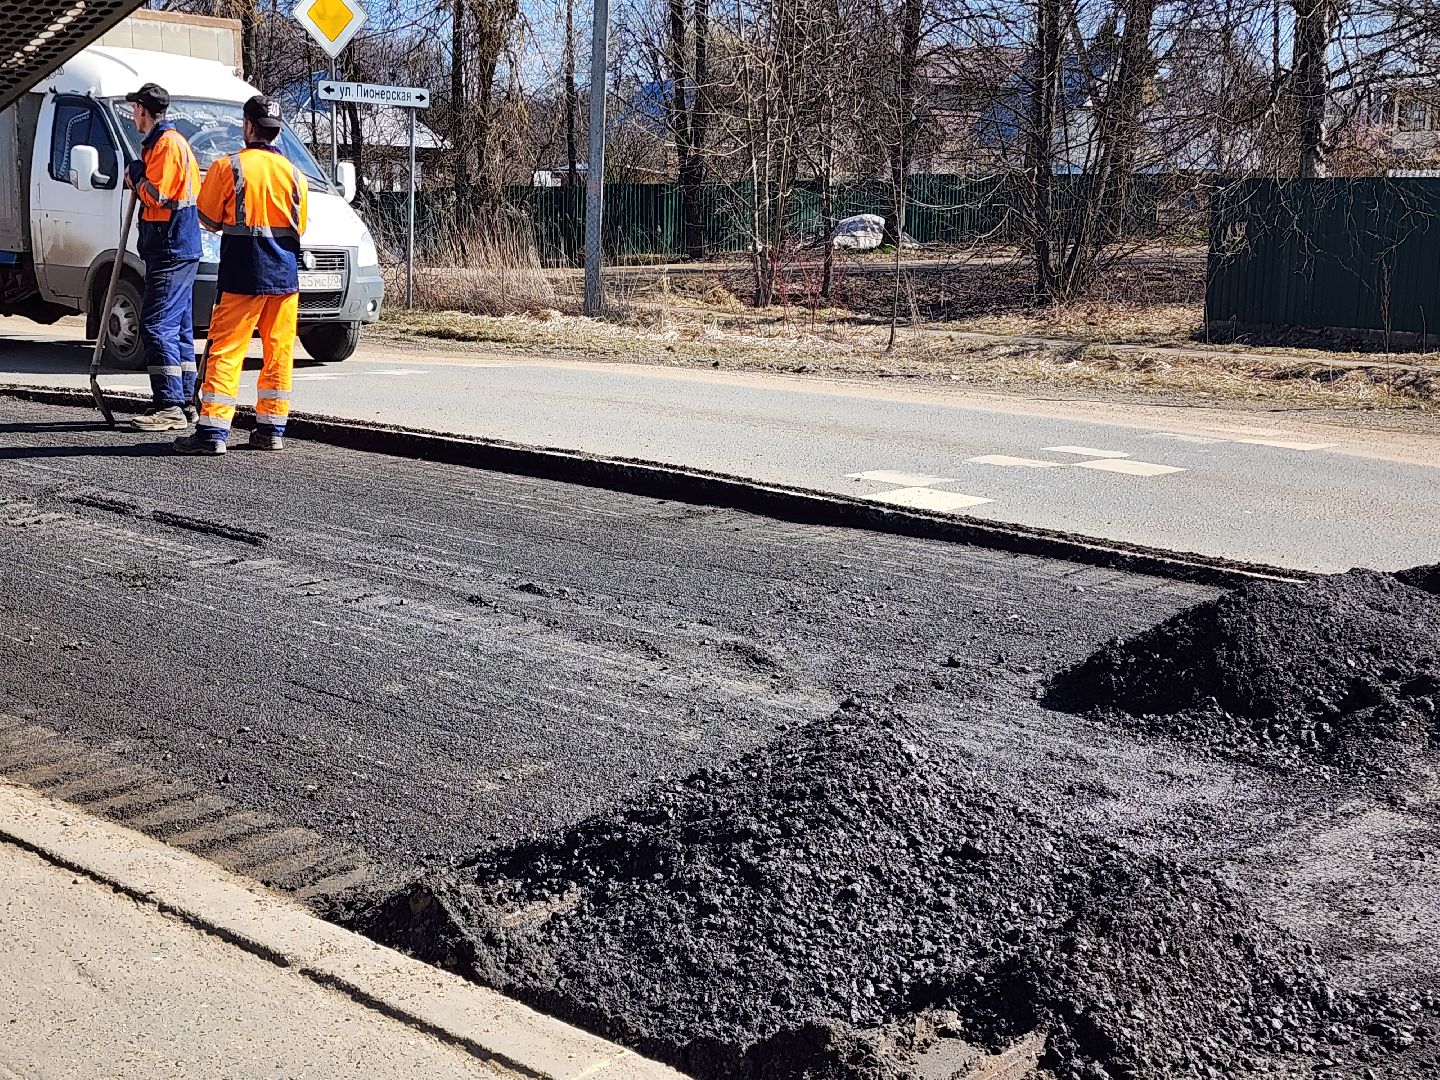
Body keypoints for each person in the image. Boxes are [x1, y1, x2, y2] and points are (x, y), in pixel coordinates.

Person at [176, 95, 308, 456]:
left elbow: (208, 218)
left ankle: (212, 433)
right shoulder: (297, 175)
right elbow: (300, 225)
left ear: (248, 126)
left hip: (242, 274)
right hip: (285, 277)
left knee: (227, 349)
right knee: (278, 352)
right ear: (277, 131)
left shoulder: (227, 167)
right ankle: (271, 430)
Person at [122, 82, 202, 432]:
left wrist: (136, 174)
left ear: (143, 109)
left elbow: (156, 194)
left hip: (171, 248)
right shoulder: (163, 144)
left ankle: (168, 405)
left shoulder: (167, 145)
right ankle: (184, 402)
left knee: (156, 326)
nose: (132, 115)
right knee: (179, 329)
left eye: (134, 109)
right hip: (174, 247)